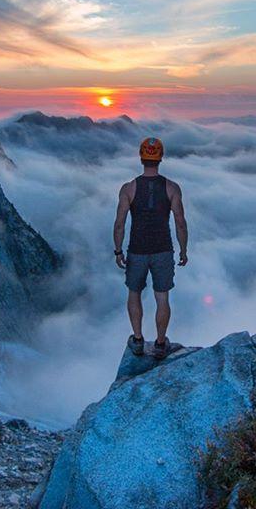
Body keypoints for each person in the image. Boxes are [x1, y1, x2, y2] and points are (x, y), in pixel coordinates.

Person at [113, 137, 188, 359]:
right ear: (161, 158)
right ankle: (160, 343)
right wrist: (183, 250)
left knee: (134, 293)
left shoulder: (129, 188)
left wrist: (118, 250)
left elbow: (119, 223)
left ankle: (137, 340)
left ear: (141, 157)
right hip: (163, 250)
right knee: (162, 298)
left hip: (136, 249)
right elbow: (180, 222)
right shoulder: (172, 188)